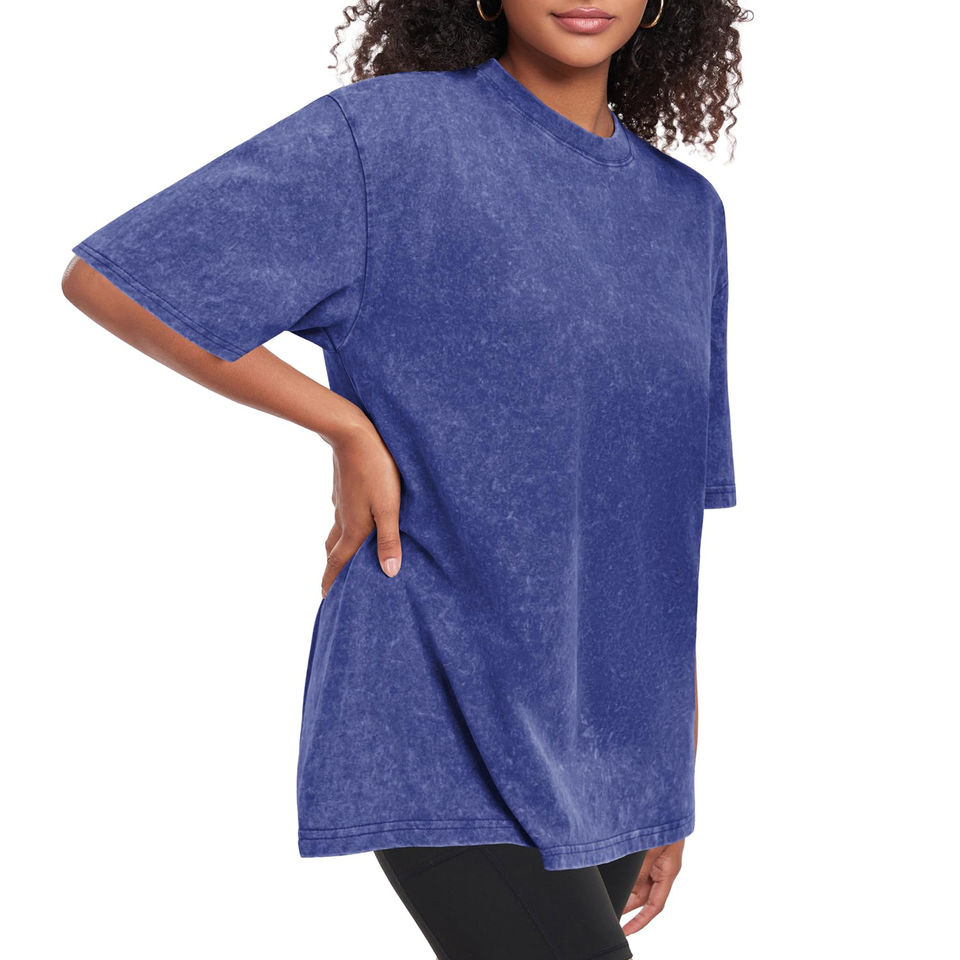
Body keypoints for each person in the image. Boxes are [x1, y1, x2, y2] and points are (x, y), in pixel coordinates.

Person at [61, 1, 751, 957]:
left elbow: (660, 527)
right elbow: (117, 279)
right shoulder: (390, 141)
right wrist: (344, 426)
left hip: (611, 736)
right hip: (437, 701)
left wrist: (669, 775)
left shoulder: (688, 216)